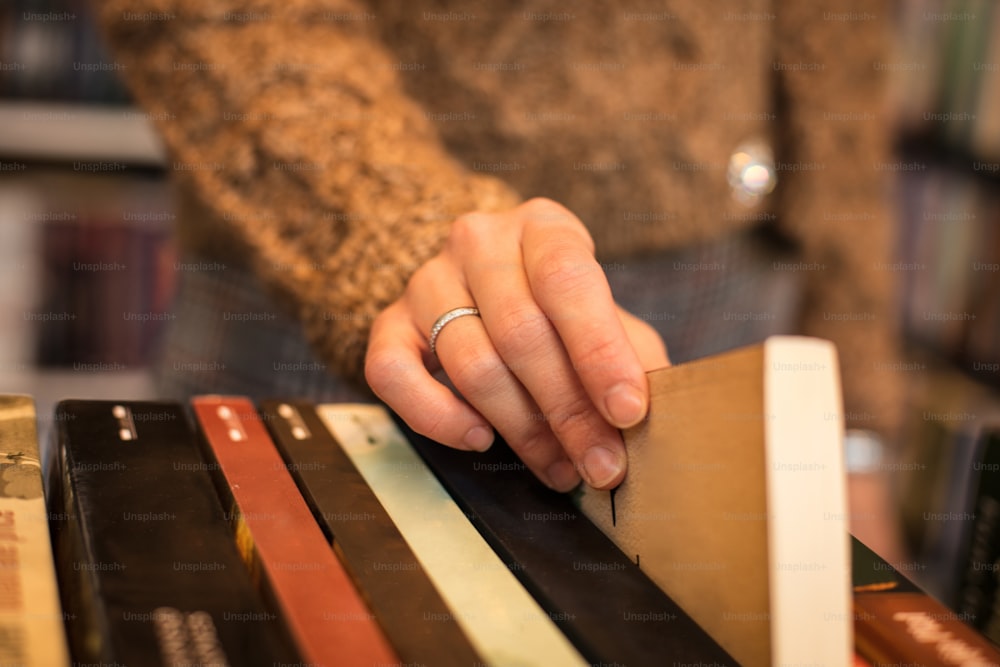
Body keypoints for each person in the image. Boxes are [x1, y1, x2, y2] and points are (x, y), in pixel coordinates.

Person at [97, 0, 902, 498]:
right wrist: (399, 233)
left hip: (742, 312)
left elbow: (840, 48)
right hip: (367, 317)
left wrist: (851, 423)